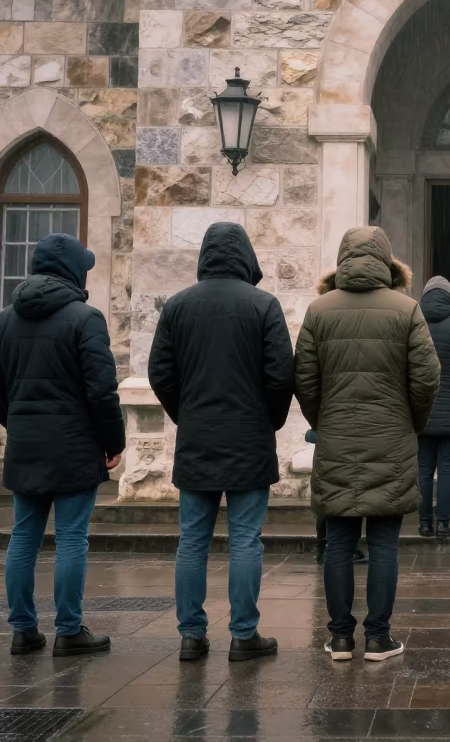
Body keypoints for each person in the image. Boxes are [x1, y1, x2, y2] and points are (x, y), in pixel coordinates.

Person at [149, 222, 294, 663]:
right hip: (249, 436)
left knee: (192, 541)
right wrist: (268, 420)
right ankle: (243, 634)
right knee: (246, 539)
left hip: (198, 437)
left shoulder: (177, 306)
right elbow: (281, 374)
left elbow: (160, 373)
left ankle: (192, 636)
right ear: (246, 256)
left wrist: (186, 414)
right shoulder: (263, 304)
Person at [294, 227, 439, 663]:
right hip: (391, 438)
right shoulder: (406, 309)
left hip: (336, 437)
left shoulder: (319, 310)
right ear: (387, 260)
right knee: (384, 544)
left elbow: (304, 378)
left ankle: (339, 637)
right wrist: (410, 421)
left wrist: (324, 420)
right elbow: (427, 377)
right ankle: (378, 637)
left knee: (337, 542)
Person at [0, 233, 125, 657]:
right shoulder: (84, 318)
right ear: (72, 269)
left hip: (25, 444)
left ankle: (22, 630)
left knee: (23, 537)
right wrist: (113, 441)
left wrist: (17, 423)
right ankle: (69, 630)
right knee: (71, 539)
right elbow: (101, 390)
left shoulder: (5, 319)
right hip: (74, 445)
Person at [417, 275, 450, 538]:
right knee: (448, 468)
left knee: (424, 469)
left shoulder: (413, 322)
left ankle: (424, 522)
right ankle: (443, 523)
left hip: (422, 410)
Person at [306, 429, 367, 566]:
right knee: (337, 494)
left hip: (329, 438)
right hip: (345, 439)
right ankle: (330, 548)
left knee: (327, 495)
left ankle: (325, 549)